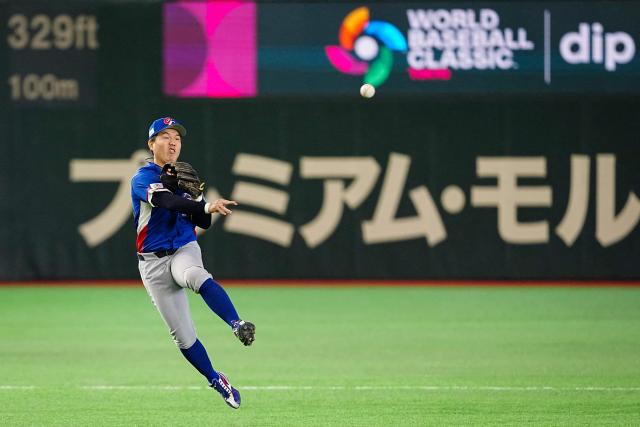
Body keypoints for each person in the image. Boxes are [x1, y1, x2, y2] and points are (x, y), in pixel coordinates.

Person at [130, 116, 255, 409]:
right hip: (152, 264)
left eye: (177, 138)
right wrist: (200, 202)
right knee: (184, 337)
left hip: (183, 249)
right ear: (152, 144)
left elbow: (203, 222)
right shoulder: (143, 178)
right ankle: (216, 379)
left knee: (194, 275)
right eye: (165, 136)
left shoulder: (184, 177)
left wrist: (201, 204)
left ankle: (236, 323)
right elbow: (167, 203)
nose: (173, 142)